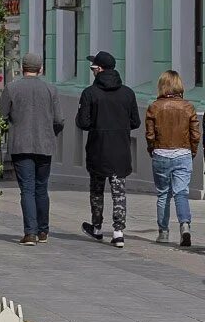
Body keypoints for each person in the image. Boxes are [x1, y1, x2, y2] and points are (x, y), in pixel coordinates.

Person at [0, 53, 64, 245]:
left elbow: (0, 116)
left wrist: (10, 127)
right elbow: (59, 120)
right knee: (41, 187)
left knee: (27, 188)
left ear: (22, 68)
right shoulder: (51, 89)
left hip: (21, 145)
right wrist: (51, 134)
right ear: (40, 69)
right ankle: (43, 231)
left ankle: (30, 233)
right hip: (45, 144)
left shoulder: (12, 88)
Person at [76, 51, 140, 248]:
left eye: (93, 68)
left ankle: (96, 228)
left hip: (98, 148)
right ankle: (118, 232)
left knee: (97, 190)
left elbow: (83, 123)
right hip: (120, 149)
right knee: (118, 191)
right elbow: (135, 122)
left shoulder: (90, 93)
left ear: (100, 69)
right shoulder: (128, 93)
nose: (92, 71)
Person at [145, 70, 200, 246]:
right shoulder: (188, 107)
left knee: (163, 195)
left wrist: (152, 150)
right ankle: (184, 225)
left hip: (161, 153)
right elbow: (195, 135)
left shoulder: (154, 107)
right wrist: (192, 151)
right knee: (181, 192)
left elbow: (150, 135)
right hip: (183, 153)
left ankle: (163, 232)